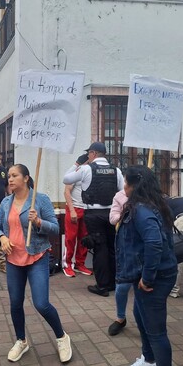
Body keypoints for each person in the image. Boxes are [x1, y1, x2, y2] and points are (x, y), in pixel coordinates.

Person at [0, 164, 72, 364]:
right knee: (15, 302)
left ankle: (62, 337)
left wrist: (38, 223)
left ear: (26, 178)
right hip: (13, 259)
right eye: (9, 176)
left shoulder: (40, 199)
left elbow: (55, 228)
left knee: (41, 304)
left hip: (36, 256)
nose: (10, 179)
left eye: (14, 175)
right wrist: (2, 238)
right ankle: (21, 340)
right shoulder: (5, 202)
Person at [118, 165, 178, 366]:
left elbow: (154, 243)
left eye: (125, 182)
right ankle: (149, 359)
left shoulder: (142, 209)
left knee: (156, 330)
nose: (124, 186)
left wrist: (147, 277)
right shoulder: (152, 204)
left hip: (155, 277)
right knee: (140, 314)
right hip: (152, 273)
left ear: (132, 184)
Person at [63, 142, 123, 296]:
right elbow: (123, 192)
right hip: (111, 214)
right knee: (111, 248)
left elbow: (66, 178)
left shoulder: (86, 169)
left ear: (93, 153)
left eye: (89, 153)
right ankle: (112, 283)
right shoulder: (116, 170)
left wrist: (76, 163)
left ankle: (102, 286)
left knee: (99, 249)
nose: (88, 156)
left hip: (93, 215)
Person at [62, 154, 91, 278]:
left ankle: (80, 263)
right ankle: (67, 264)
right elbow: (67, 191)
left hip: (87, 209)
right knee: (71, 238)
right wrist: (72, 210)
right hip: (74, 208)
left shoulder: (90, 173)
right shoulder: (76, 172)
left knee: (84, 237)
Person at [108, 188, 131, 336]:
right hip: (127, 245)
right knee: (122, 286)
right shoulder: (120, 196)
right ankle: (120, 318)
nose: (125, 186)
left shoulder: (152, 197)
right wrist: (125, 214)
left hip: (145, 247)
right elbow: (113, 218)